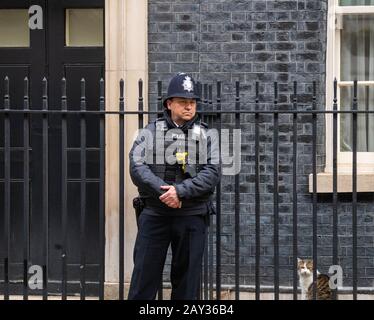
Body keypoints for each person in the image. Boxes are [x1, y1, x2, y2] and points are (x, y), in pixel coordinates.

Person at [127, 73, 221, 300]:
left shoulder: (208, 135)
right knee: (143, 280)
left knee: (187, 285)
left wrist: (180, 191)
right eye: (182, 102)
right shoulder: (150, 131)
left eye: (192, 102)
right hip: (156, 214)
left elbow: (213, 172)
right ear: (169, 104)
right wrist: (165, 191)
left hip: (191, 215)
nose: (189, 107)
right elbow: (136, 165)